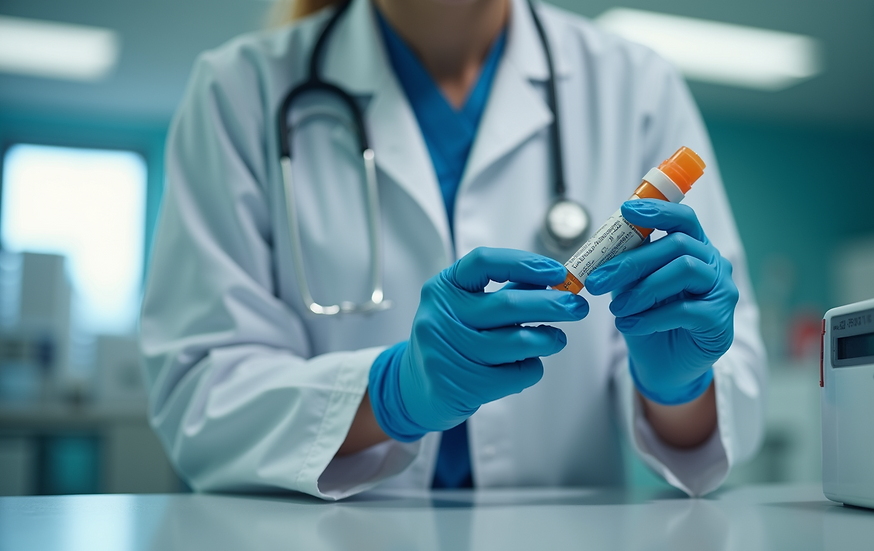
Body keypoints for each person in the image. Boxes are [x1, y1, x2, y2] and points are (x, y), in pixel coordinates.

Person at [141, 0, 766, 500]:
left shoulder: (635, 85)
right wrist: (389, 393)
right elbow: (199, 394)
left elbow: (729, 387)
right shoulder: (238, 90)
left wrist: (679, 389)